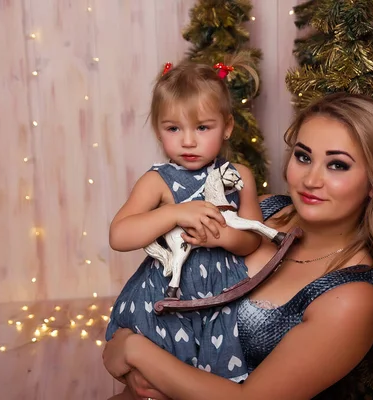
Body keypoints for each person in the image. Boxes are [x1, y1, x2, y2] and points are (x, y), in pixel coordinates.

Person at [103, 92, 373, 400]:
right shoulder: (265, 210)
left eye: (337, 165)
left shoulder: (351, 297)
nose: (311, 179)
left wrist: (134, 351)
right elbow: (158, 289)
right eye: (303, 156)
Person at [105, 55, 267, 385]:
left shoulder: (239, 177)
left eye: (203, 127)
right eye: (173, 128)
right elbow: (119, 235)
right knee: (158, 379)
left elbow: (253, 240)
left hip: (221, 296)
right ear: (158, 130)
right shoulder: (158, 181)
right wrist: (174, 213)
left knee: (208, 379)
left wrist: (221, 236)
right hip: (168, 295)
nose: (188, 141)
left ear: (227, 127)